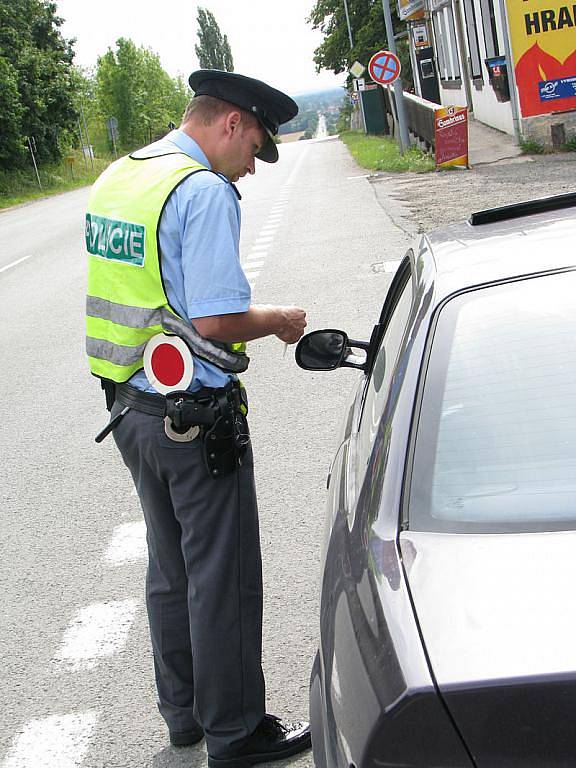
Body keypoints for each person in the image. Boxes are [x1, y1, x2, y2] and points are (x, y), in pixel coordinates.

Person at [85, 70, 310, 768]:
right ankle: (236, 732)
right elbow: (213, 318)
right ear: (232, 123)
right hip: (192, 418)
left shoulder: (122, 175)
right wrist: (278, 320)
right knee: (223, 574)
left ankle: (183, 718)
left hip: (128, 407)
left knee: (170, 565)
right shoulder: (203, 192)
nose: (252, 166)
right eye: (255, 149)